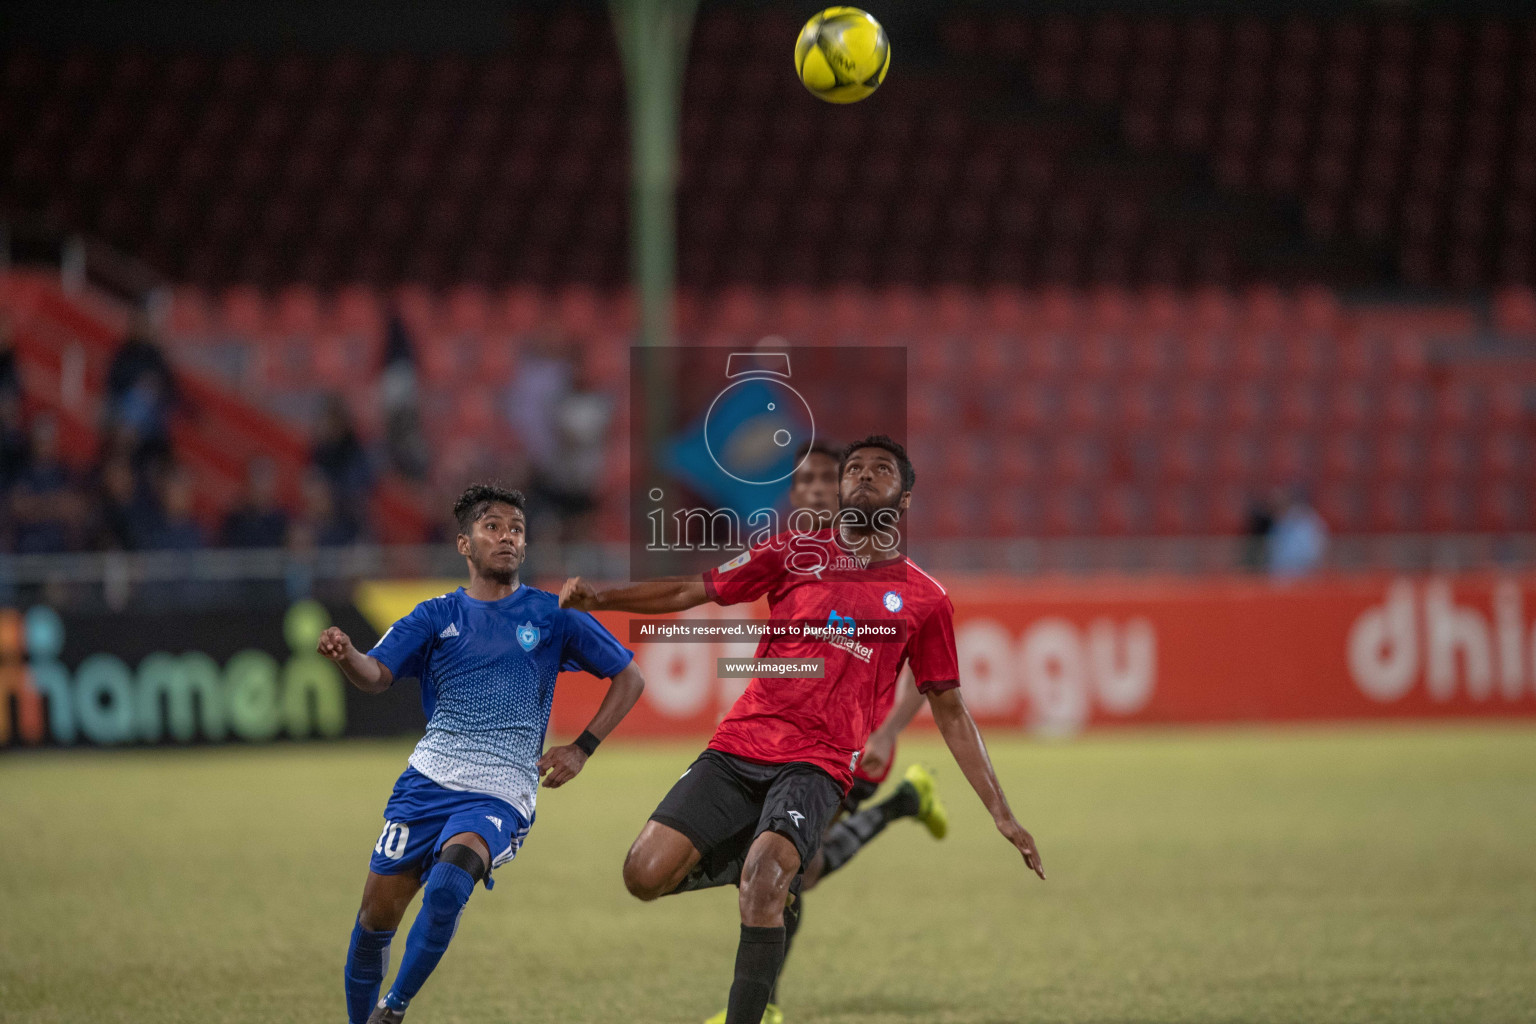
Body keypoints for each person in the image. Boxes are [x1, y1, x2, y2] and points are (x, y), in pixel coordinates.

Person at [561, 435, 1045, 1024]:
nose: (864, 477)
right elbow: (695, 589)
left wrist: (1000, 811)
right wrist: (601, 597)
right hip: (738, 745)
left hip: (818, 763)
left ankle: (765, 905)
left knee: (765, 880)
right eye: (855, 470)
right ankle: (771, 863)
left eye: (882, 470)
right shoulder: (792, 551)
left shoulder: (926, 599)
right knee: (643, 875)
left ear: (907, 498)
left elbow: (950, 709)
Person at [317, 483, 647, 1024]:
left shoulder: (552, 614)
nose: (508, 537)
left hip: (502, 789)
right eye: (493, 526)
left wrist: (583, 749)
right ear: (464, 544)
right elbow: (376, 675)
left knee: (449, 886)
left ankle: (392, 1009)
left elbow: (628, 677)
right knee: (375, 921)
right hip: (425, 783)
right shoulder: (434, 615)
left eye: (516, 529)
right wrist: (347, 653)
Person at [697, 441, 943, 1024]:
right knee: (793, 869)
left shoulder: (881, 568)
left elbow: (922, 669)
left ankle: (768, 1002)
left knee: (794, 870)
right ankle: (906, 802)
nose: (812, 493)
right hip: (785, 741)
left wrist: (886, 731)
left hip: (847, 745)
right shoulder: (793, 557)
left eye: (823, 482)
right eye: (802, 484)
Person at [1268, 487, 1329, 578]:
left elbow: (1315, 553)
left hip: (1304, 577)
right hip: (1281, 578)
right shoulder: (1279, 524)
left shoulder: (1309, 523)